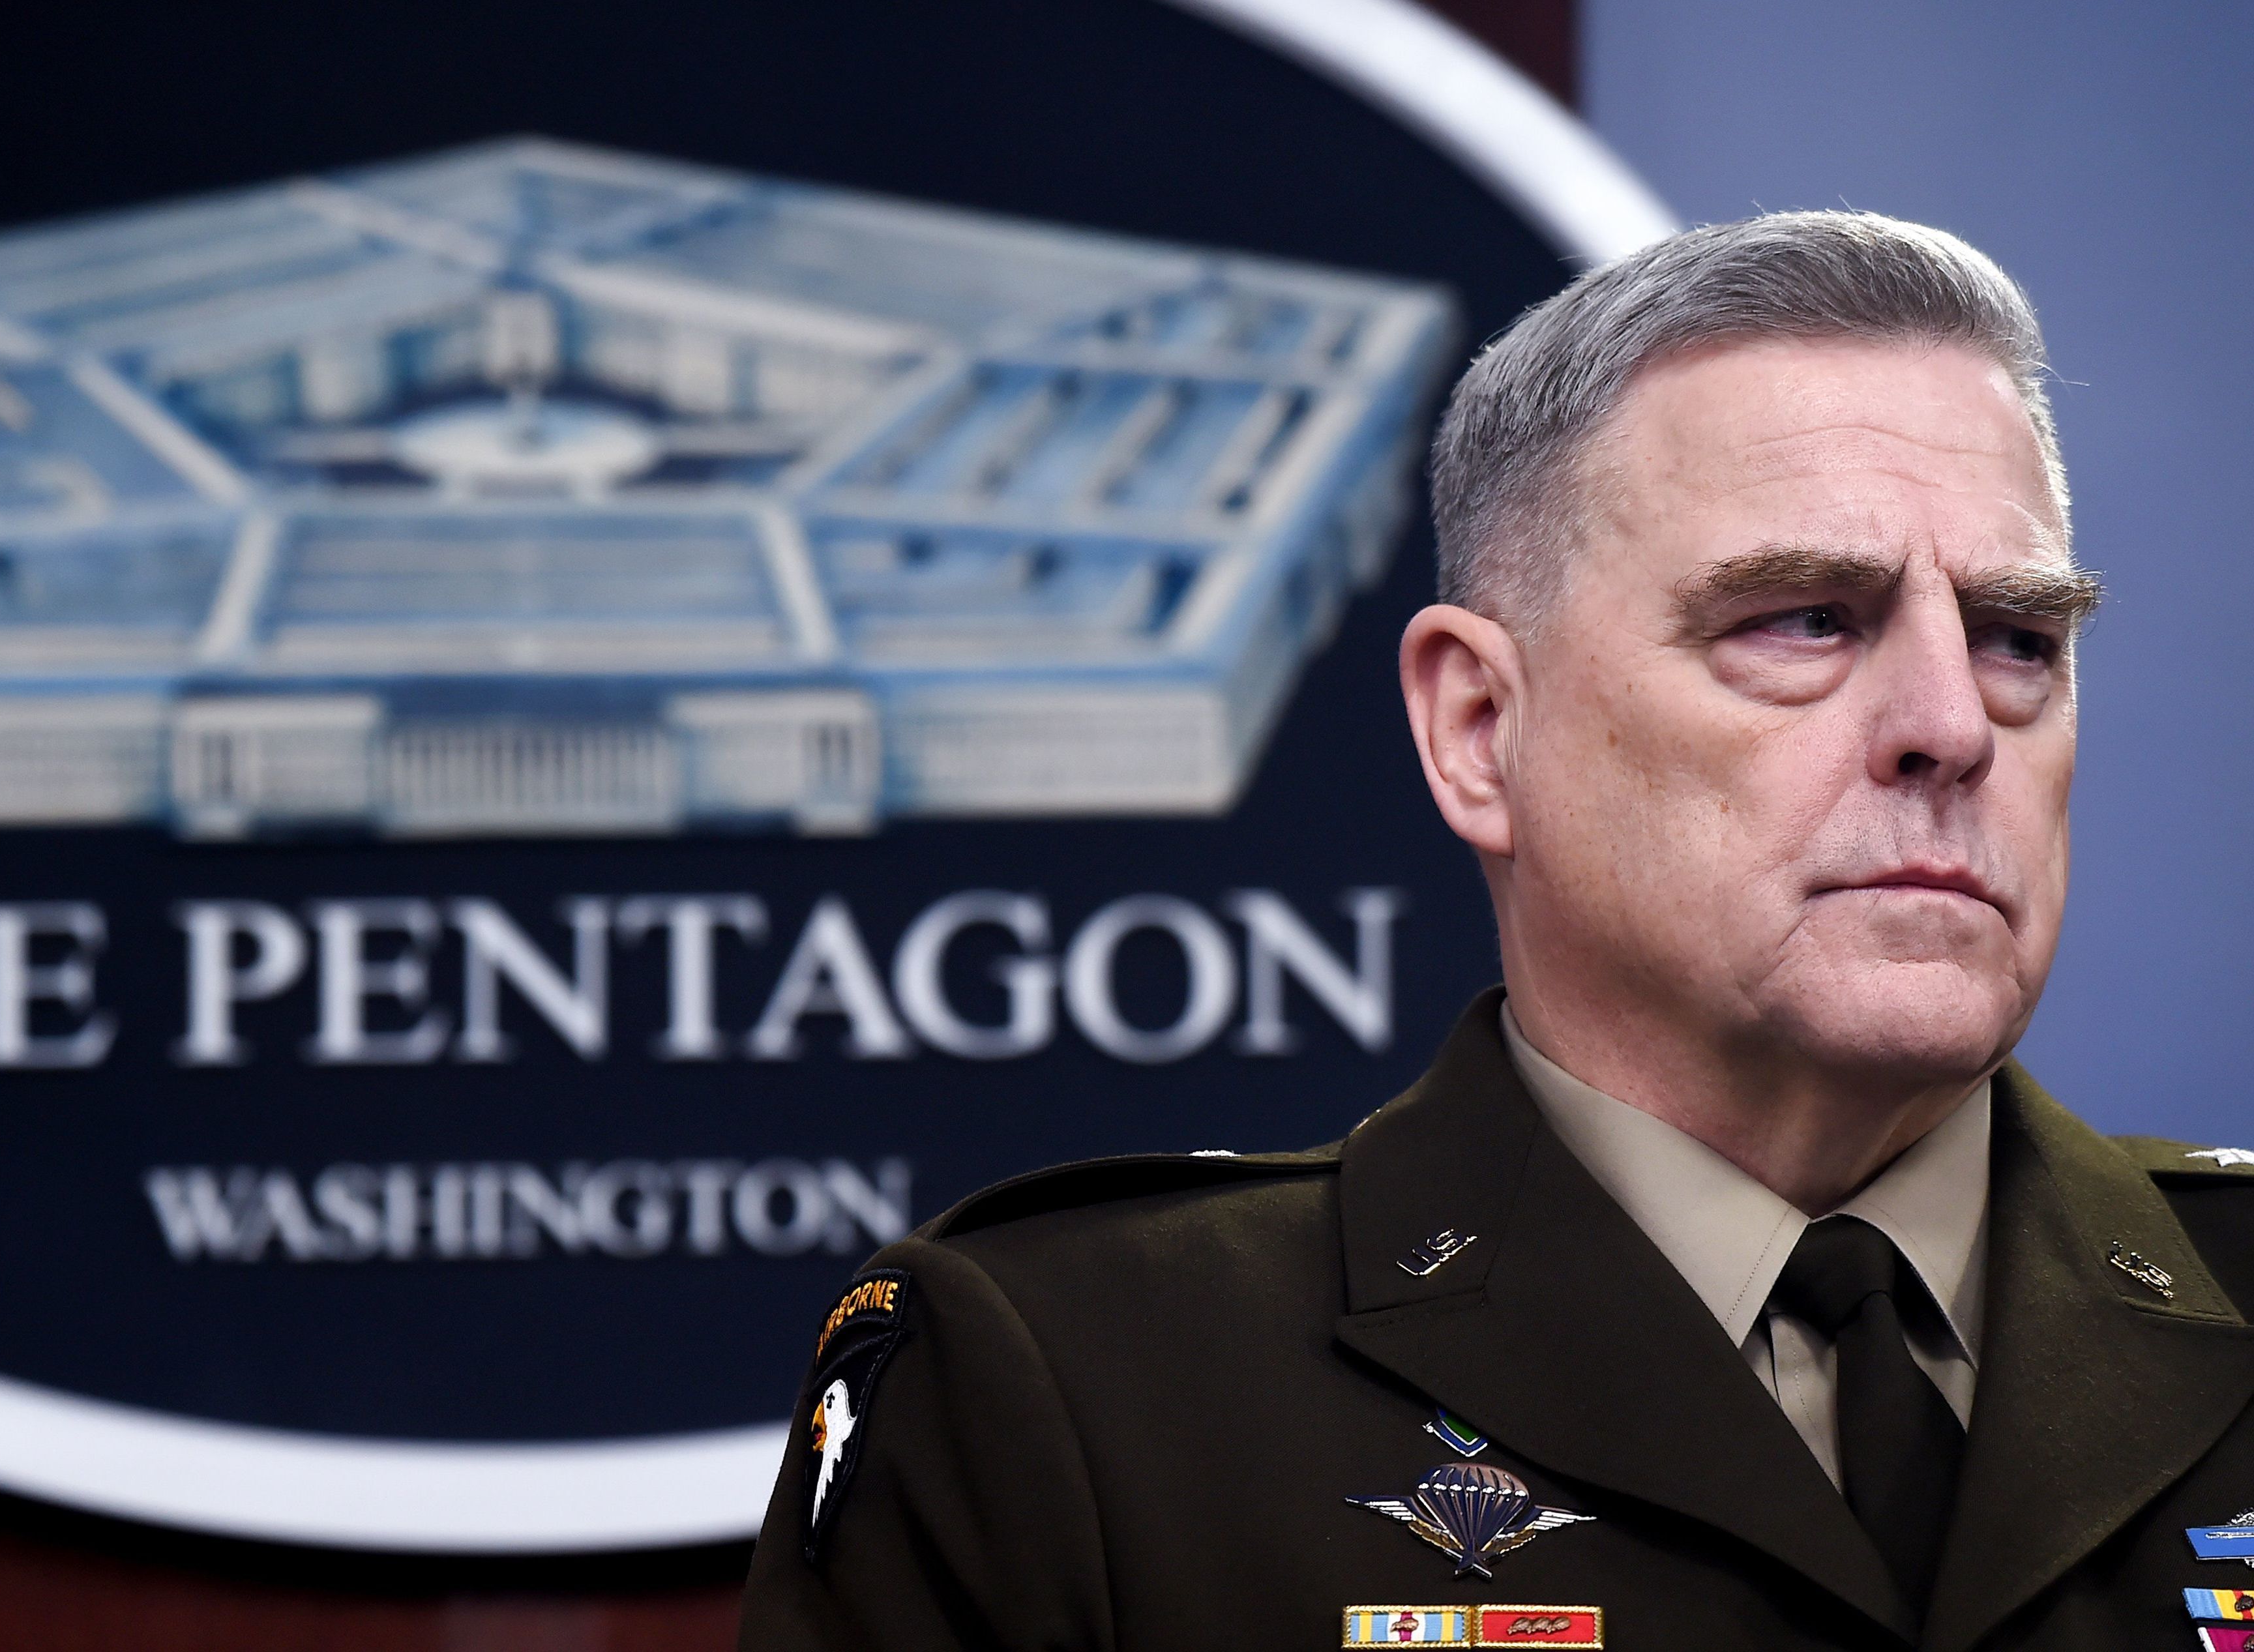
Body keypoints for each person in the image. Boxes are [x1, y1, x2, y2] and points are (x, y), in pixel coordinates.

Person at [739, 213, 2254, 1651]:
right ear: (1478, 727)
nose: (1949, 726)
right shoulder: (1080, 1385)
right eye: (1804, 620)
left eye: (2019, 641)